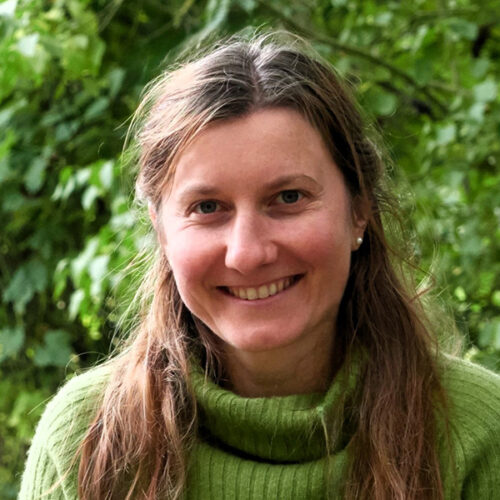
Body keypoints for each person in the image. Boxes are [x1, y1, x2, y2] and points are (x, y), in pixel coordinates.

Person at [19, 32, 500, 500]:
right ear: (161, 230)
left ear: (359, 210)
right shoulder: (88, 437)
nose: (246, 254)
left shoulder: (477, 431)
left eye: (288, 198)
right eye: (208, 207)